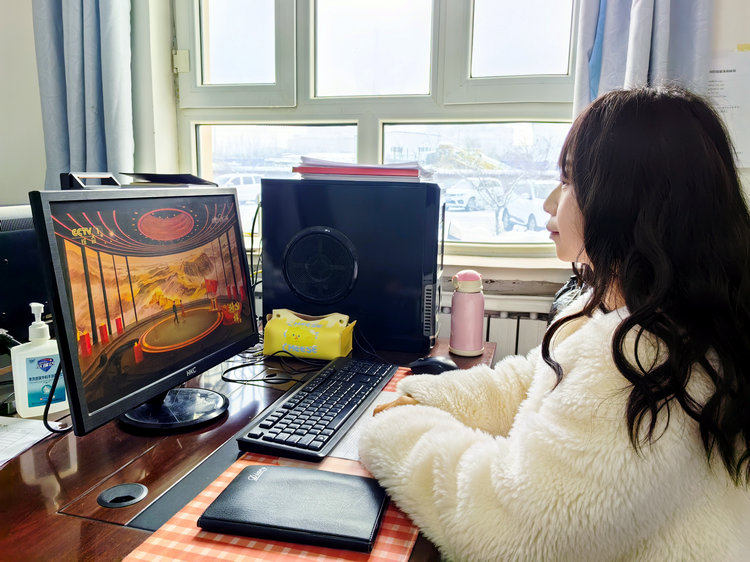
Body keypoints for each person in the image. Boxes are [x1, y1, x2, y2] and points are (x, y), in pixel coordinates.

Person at [358, 86, 750, 561]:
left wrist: (394, 429)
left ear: (625, 203)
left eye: (567, 182)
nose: (549, 203)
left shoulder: (641, 359)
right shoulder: (650, 311)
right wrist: (431, 394)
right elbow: (537, 383)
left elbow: (512, 529)